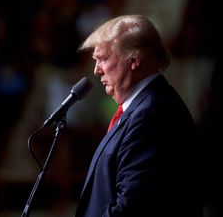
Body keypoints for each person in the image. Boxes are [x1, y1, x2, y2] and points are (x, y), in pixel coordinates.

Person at [75, 14, 202, 217]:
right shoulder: (144, 107)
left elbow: (131, 207)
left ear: (133, 60)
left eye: (103, 59)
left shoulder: (151, 113)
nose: (97, 70)